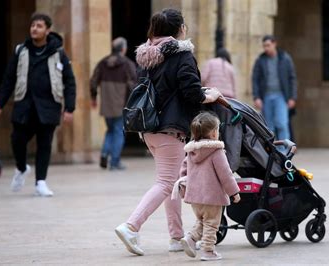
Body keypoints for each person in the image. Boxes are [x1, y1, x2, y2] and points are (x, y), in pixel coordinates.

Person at [114, 8, 222, 256]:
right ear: (179, 29)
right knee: (165, 183)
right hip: (170, 130)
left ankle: (175, 237)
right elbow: (191, 93)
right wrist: (211, 95)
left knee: (172, 182)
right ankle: (131, 227)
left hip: (149, 129)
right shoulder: (181, 55)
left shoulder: (146, 56)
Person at [0, 13, 76, 196]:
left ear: (48, 30)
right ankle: (22, 168)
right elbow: (9, 80)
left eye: (39, 26)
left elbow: (69, 81)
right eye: (32, 25)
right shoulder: (21, 51)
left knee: (44, 144)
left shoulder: (58, 52)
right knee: (17, 140)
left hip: (49, 106)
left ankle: (40, 182)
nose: (34, 29)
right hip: (25, 105)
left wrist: (69, 108)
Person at [173, 112, 240, 261]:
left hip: (195, 197)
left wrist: (185, 187)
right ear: (214, 132)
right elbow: (226, 174)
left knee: (202, 221)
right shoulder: (216, 152)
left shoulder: (191, 151)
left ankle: (190, 238)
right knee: (211, 224)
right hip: (212, 196)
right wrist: (234, 191)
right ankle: (208, 251)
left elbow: (183, 171)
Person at [90, 37, 137, 170]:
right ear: (123, 48)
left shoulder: (102, 63)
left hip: (106, 104)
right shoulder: (127, 64)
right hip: (121, 104)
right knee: (118, 132)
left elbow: (93, 81)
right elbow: (134, 84)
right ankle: (114, 162)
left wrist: (93, 98)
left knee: (110, 130)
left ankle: (105, 154)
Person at [252, 35, 297, 141]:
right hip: (266, 96)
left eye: (268, 45)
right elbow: (255, 79)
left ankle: (285, 153)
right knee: (268, 127)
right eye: (264, 46)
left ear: (274, 44)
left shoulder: (285, 58)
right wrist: (256, 97)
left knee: (282, 124)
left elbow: (292, 78)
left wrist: (292, 97)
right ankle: (272, 152)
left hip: (281, 96)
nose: (266, 48)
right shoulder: (260, 60)